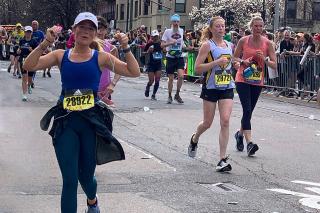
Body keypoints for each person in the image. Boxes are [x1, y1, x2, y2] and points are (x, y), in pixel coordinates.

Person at [23, 12, 140, 213]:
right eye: (82, 27)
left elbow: (134, 71)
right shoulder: (61, 55)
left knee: (85, 177)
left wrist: (126, 48)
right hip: (66, 121)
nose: (85, 32)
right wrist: (45, 43)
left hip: (90, 122)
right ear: (74, 30)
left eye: (90, 28)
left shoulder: (101, 57)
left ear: (95, 33)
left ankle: (92, 201)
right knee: (69, 180)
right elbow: (28, 65)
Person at [187, 16, 239, 172]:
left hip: (227, 86)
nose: (221, 29)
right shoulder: (207, 46)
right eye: (218, 26)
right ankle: (195, 138)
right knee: (207, 123)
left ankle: (222, 160)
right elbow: (197, 68)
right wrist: (216, 62)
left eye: (223, 26)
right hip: (211, 87)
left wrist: (235, 63)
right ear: (211, 29)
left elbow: (231, 63)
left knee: (225, 121)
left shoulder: (229, 45)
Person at [233, 15, 276, 156]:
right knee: (247, 109)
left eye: (260, 26)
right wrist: (243, 61)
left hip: (257, 80)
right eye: (255, 26)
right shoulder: (243, 40)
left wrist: (264, 59)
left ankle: (239, 134)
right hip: (242, 78)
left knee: (249, 111)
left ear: (263, 28)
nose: (258, 28)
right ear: (251, 27)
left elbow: (274, 65)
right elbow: (235, 57)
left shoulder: (268, 44)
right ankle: (249, 143)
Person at [96, 16, 121, 106]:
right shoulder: (84, 46)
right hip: (87, 92)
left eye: (102, 29)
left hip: (104, 92)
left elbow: (119, 70)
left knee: (104, 119)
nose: (99, 32)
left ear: (106, 30)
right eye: (96, 29)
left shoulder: (111, 48)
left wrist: (112, 84)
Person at [161, 14, 185, 104]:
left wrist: (186, 47)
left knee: (181, 76)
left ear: (179, 22)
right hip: (170, 57)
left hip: (179, 56)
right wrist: (170, 43)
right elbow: (162, 45)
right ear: (172, 22)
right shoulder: (167, 31)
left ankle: (177, 94)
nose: (176, 23)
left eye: (177, 21)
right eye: (174, 21)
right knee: (170, 78)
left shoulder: (182, 31)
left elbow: (182, 43)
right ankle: (170, 95)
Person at [17, 26, 38, 101]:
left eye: (29, 32)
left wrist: (31, 50)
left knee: (29, 79)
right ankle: (24, 94)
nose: (28, 33)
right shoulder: (22, 40)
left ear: (31, 33)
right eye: (27, 32)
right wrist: (18, 51)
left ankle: (29, 86)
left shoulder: (34, 42)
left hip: (31, 61)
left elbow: (37, 53)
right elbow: (19, 49)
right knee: (24, 78)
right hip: (23, 60)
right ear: (25, 32)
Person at [144, 29, 163, 100]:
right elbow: (144, 52)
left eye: (156, 36)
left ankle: (154, 94)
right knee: (151, 81)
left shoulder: (161, 43)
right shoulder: (149, 44)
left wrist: (164, 49)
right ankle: (148, 87)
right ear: (152, 37)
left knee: (157, 80)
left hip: (158, 64)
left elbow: (164, 50)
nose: (155, 38)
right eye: (154, 36)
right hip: (151, 64)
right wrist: (148, 51)